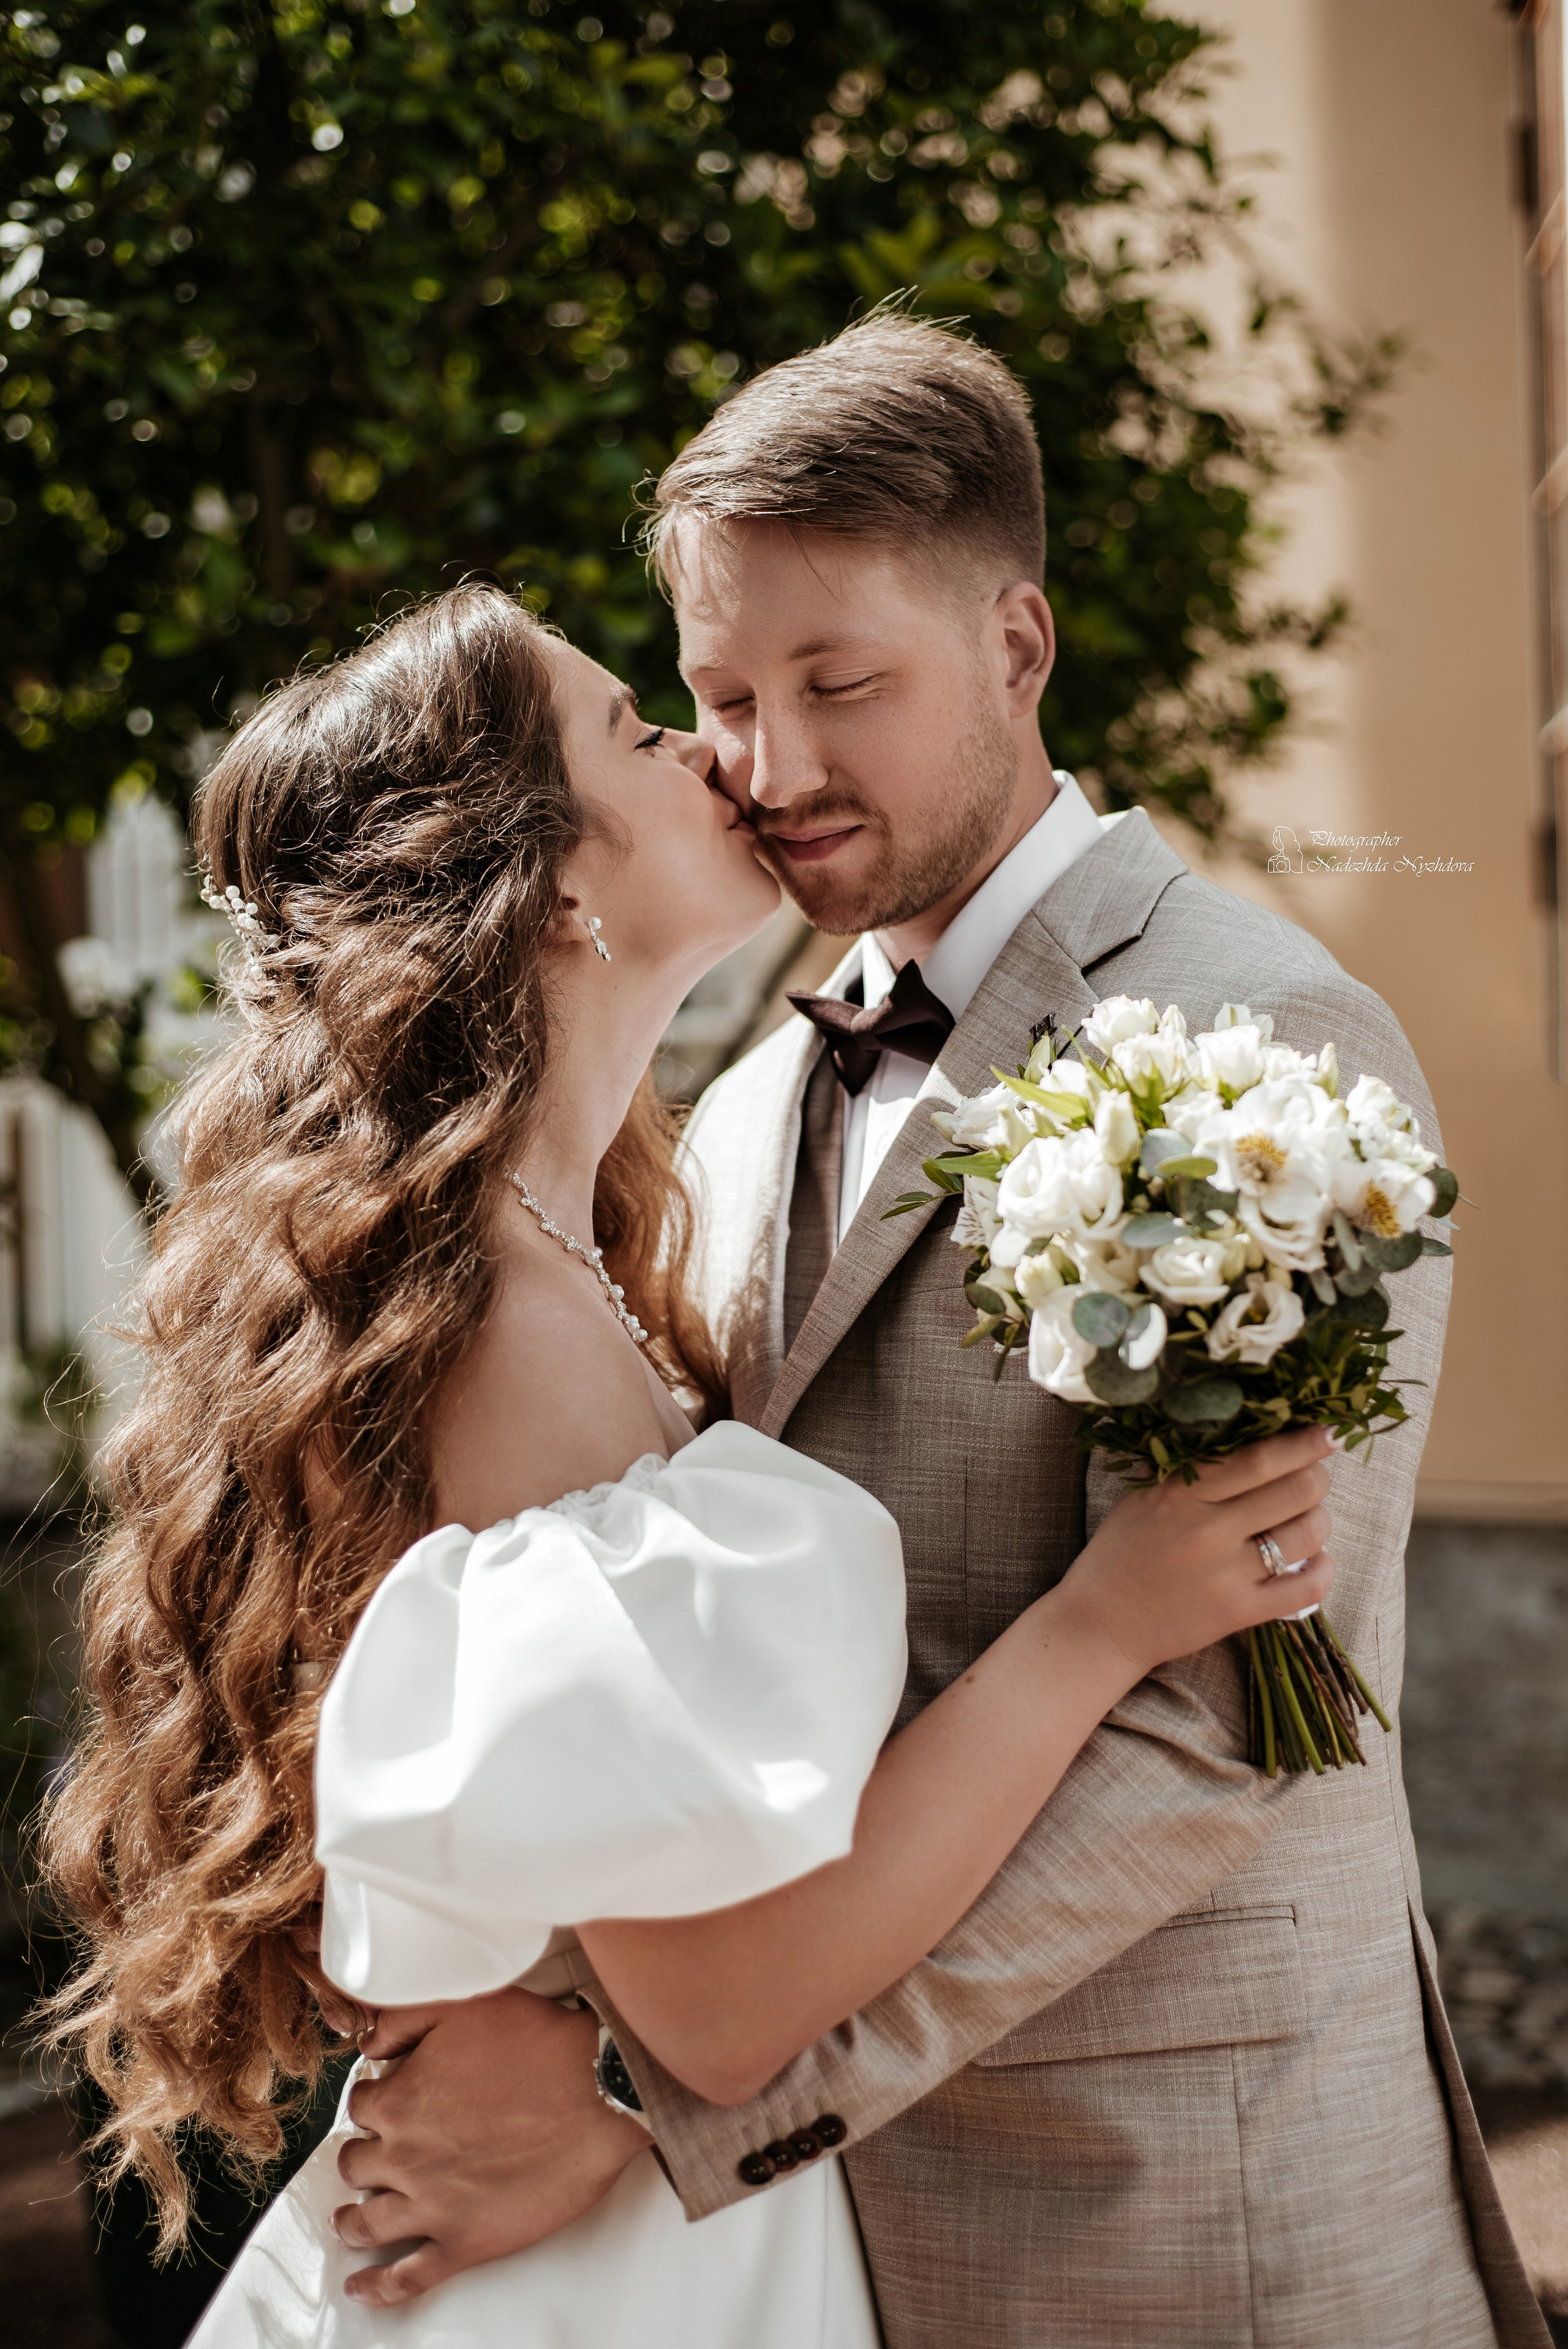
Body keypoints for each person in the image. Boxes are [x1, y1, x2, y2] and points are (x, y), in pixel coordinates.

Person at [325, 319, 1551, 2349]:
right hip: (829, 2254)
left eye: (843, 685)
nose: (775, 765)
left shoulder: (1268, 1048)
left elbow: (1221, 1718)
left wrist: (661, 2102)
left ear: (1019, 642)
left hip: (1191, 2221)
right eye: (720, 697)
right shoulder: (734, 1107)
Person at [41, 583, 1341, 2349]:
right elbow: (721, 2010)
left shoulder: (582, 1259)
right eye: (636, 730)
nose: (713, 749)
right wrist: (1099, 1628)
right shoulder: (510, 1328)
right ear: (553, 878)